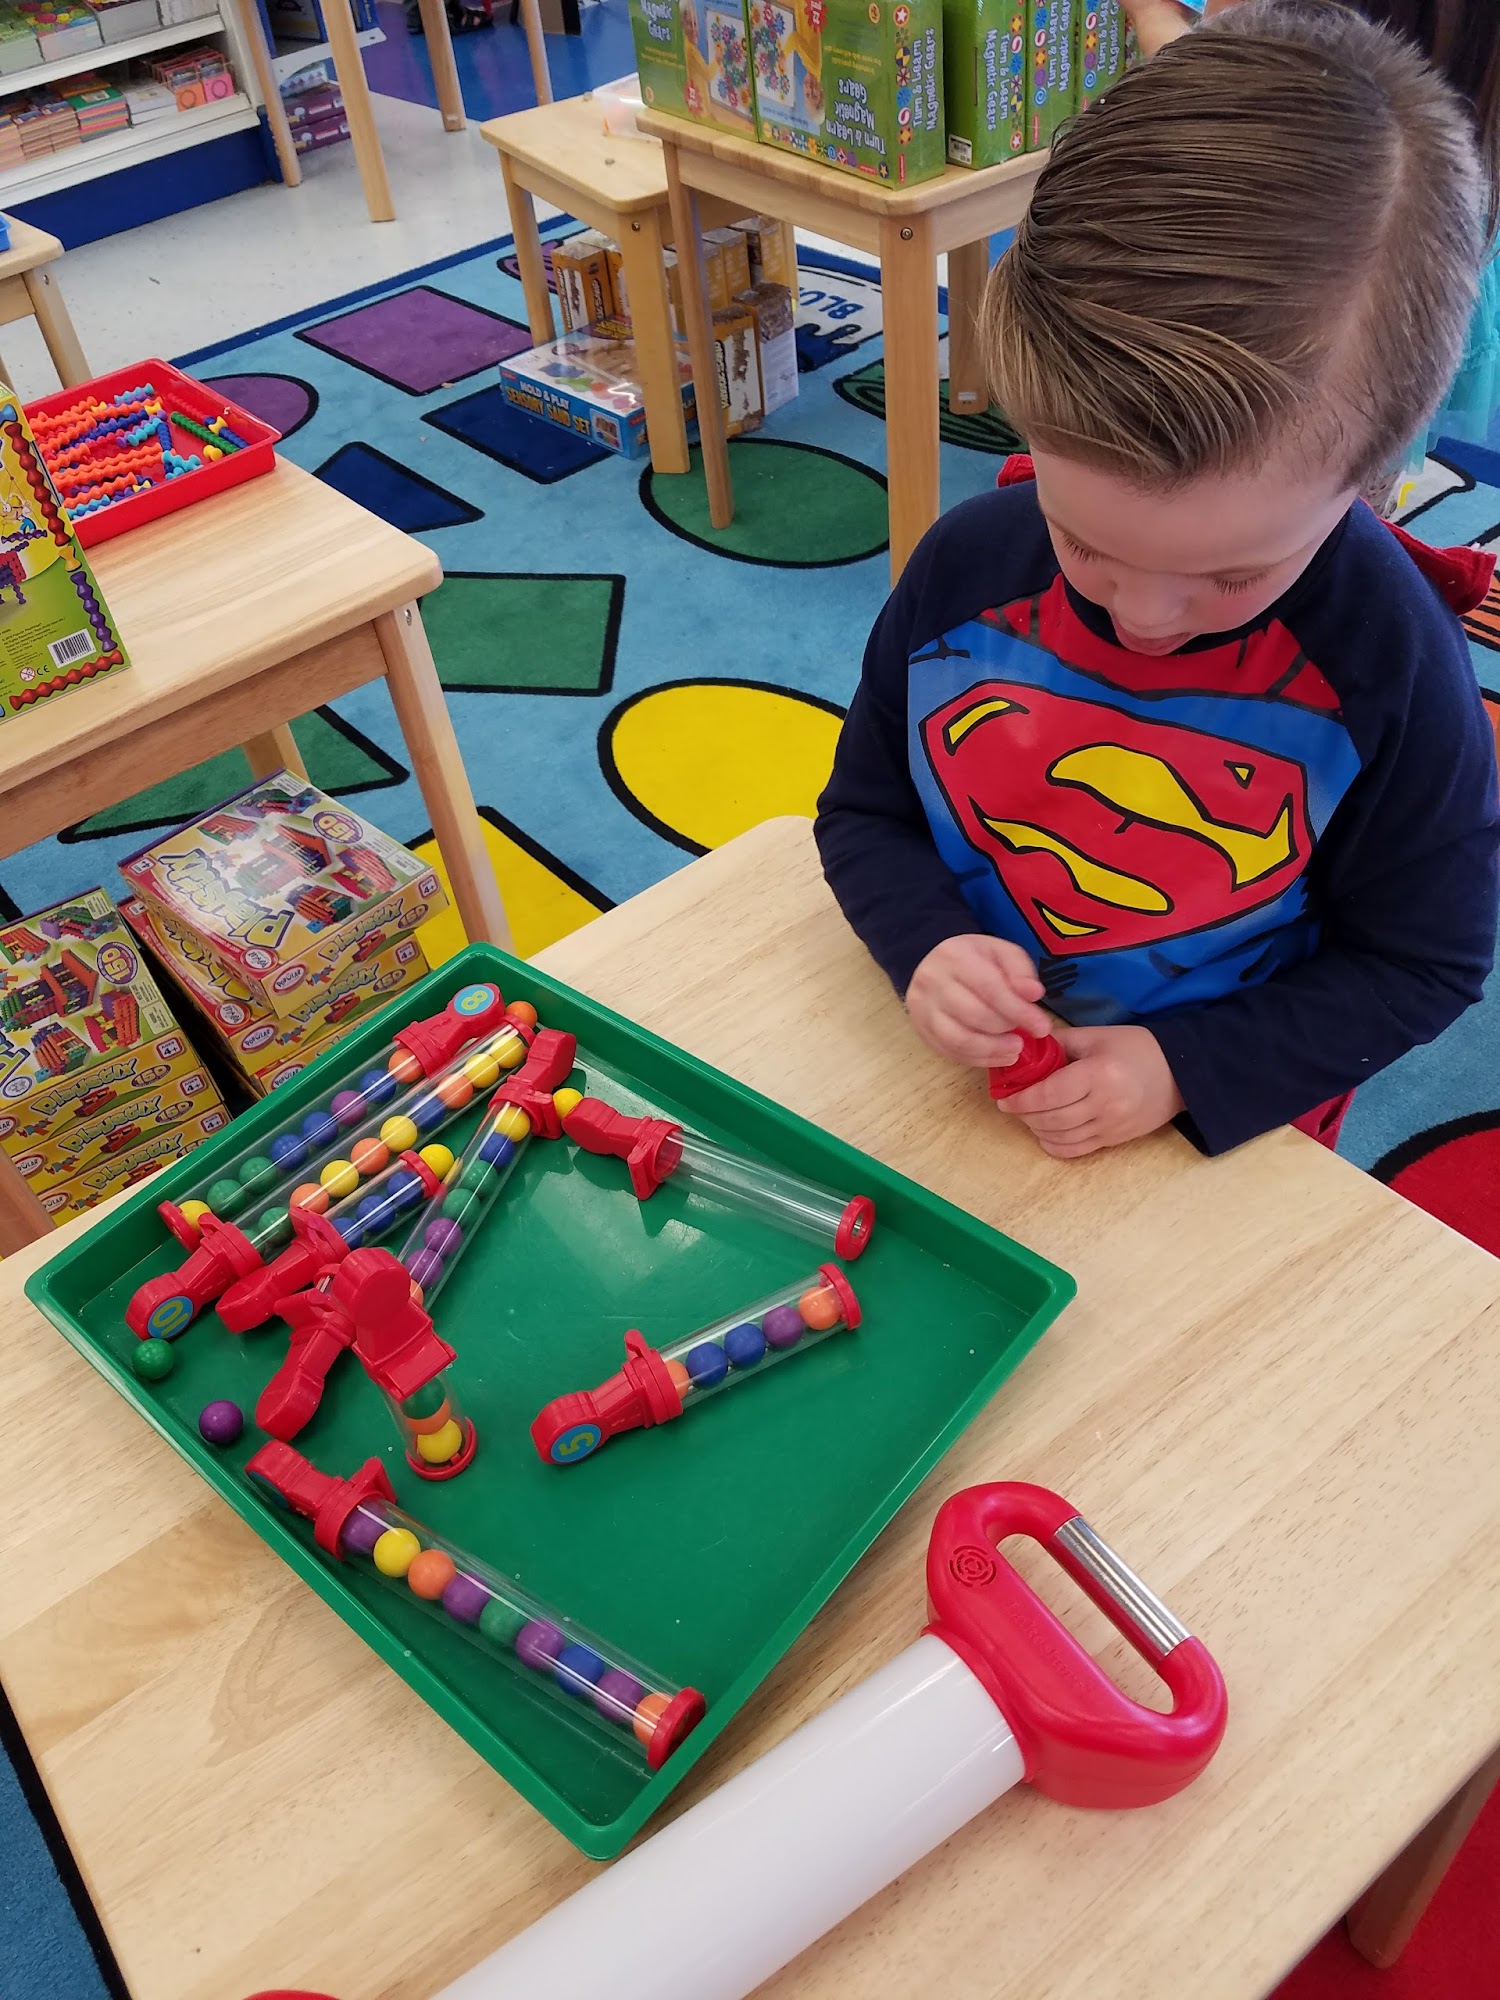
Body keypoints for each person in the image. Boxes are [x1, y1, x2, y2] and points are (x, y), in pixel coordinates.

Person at [814, 0, 1500, 1160]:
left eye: (1233, 573)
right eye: (1082, 541)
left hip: (1215, 1127)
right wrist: (925, 942)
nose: (1141, 616)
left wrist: (1183, 1068)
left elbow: (1421, 961)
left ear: (1375, 479)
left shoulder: (1394, 667)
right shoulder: (963, 569)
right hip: (958, 1092)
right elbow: (864, 810)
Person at [1122, 0, 1500, 483]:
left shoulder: (1285, 106)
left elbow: (1210, 80)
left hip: (1317, 283)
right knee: (1354, 462)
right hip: (1427, 257)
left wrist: (1151, 15)